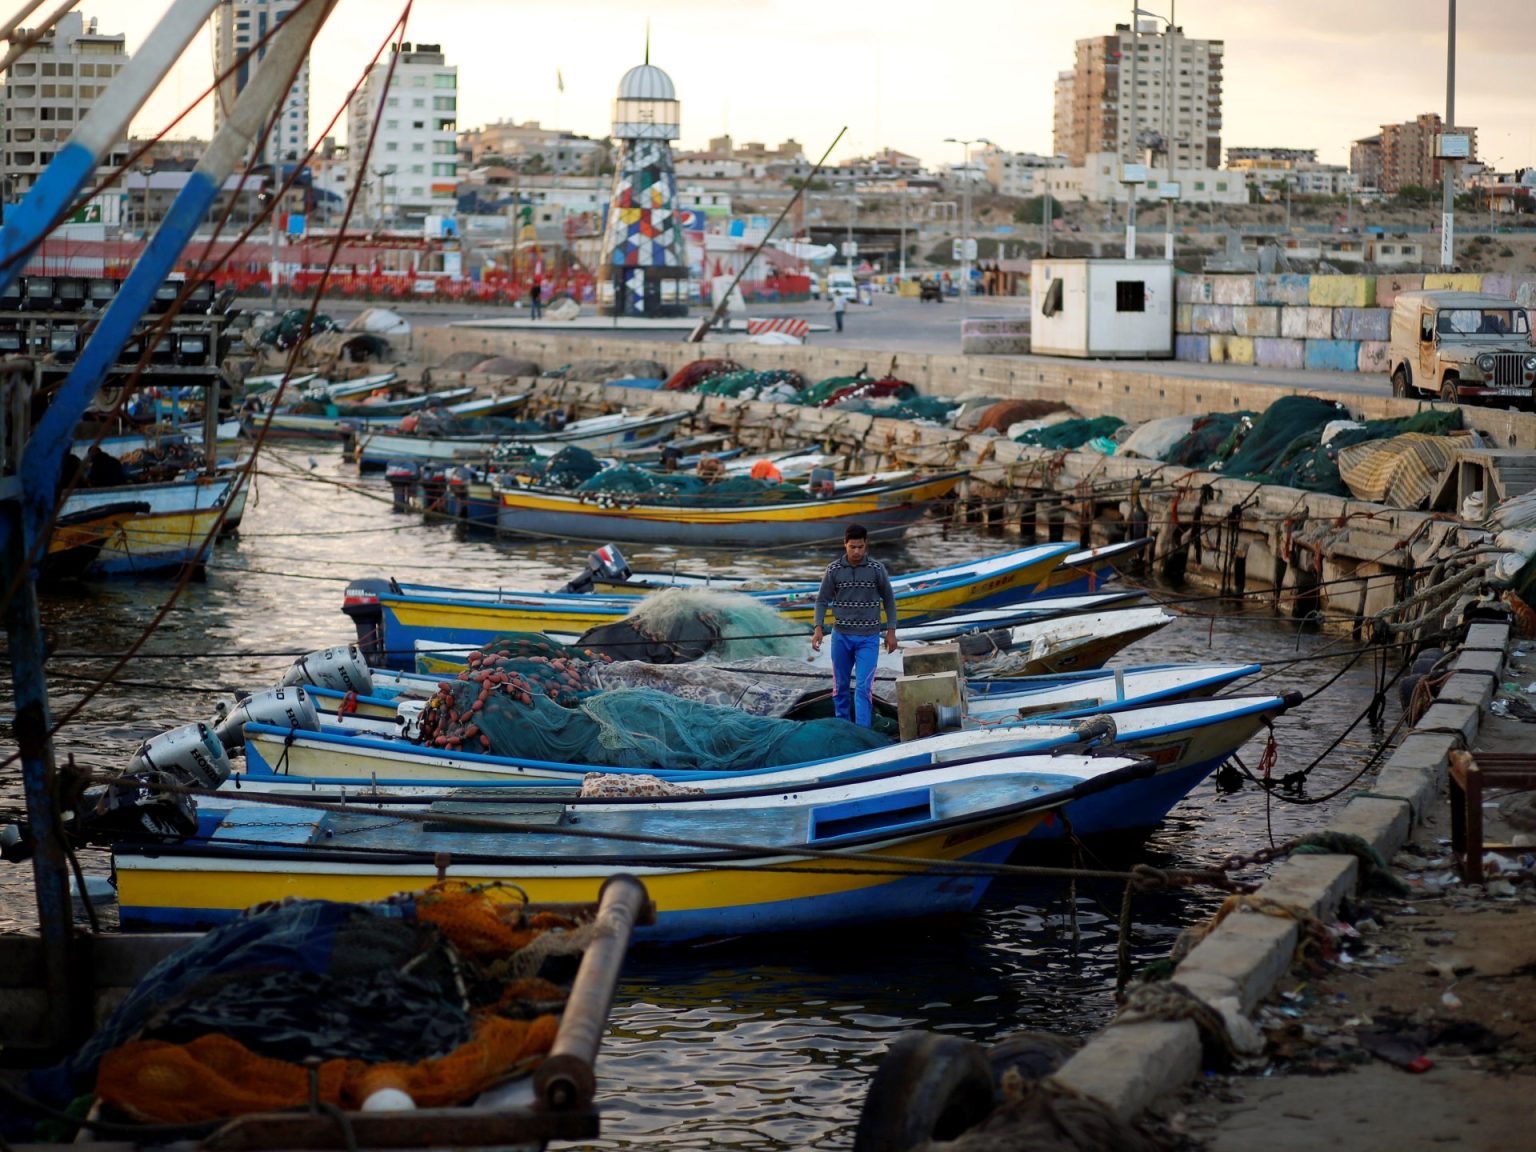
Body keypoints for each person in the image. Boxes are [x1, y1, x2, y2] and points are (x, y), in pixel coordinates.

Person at [811, 523, 898, 727]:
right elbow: (822, 600)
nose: (856, 551)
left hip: (868, 638)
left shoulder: (877, 569)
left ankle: (862, 731)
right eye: (852, 547)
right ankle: (843, 727)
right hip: (841, 637)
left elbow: (889, 600)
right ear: (845, 545)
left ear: (866, 545)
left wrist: (891, 632)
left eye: (860, 547)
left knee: (862, 688)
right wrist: (818, 628)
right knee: (840, 687)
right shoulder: (833, 570)